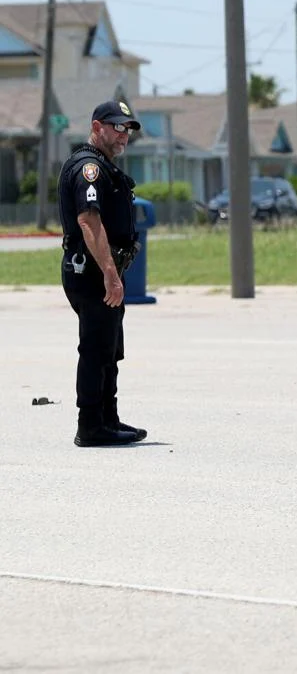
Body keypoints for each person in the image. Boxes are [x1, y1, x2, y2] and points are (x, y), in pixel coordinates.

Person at [58, 100, 148, 447]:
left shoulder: (105, 167)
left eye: (127, 129)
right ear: (97, 127)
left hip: (104, 271)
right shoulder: (89, 169)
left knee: (109, 347)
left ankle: (107, 419)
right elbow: (88, 220)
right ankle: (91, 425)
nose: (123, 135)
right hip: (92, 271)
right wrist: (110, 273)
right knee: (96, 348)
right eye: (116, 127)